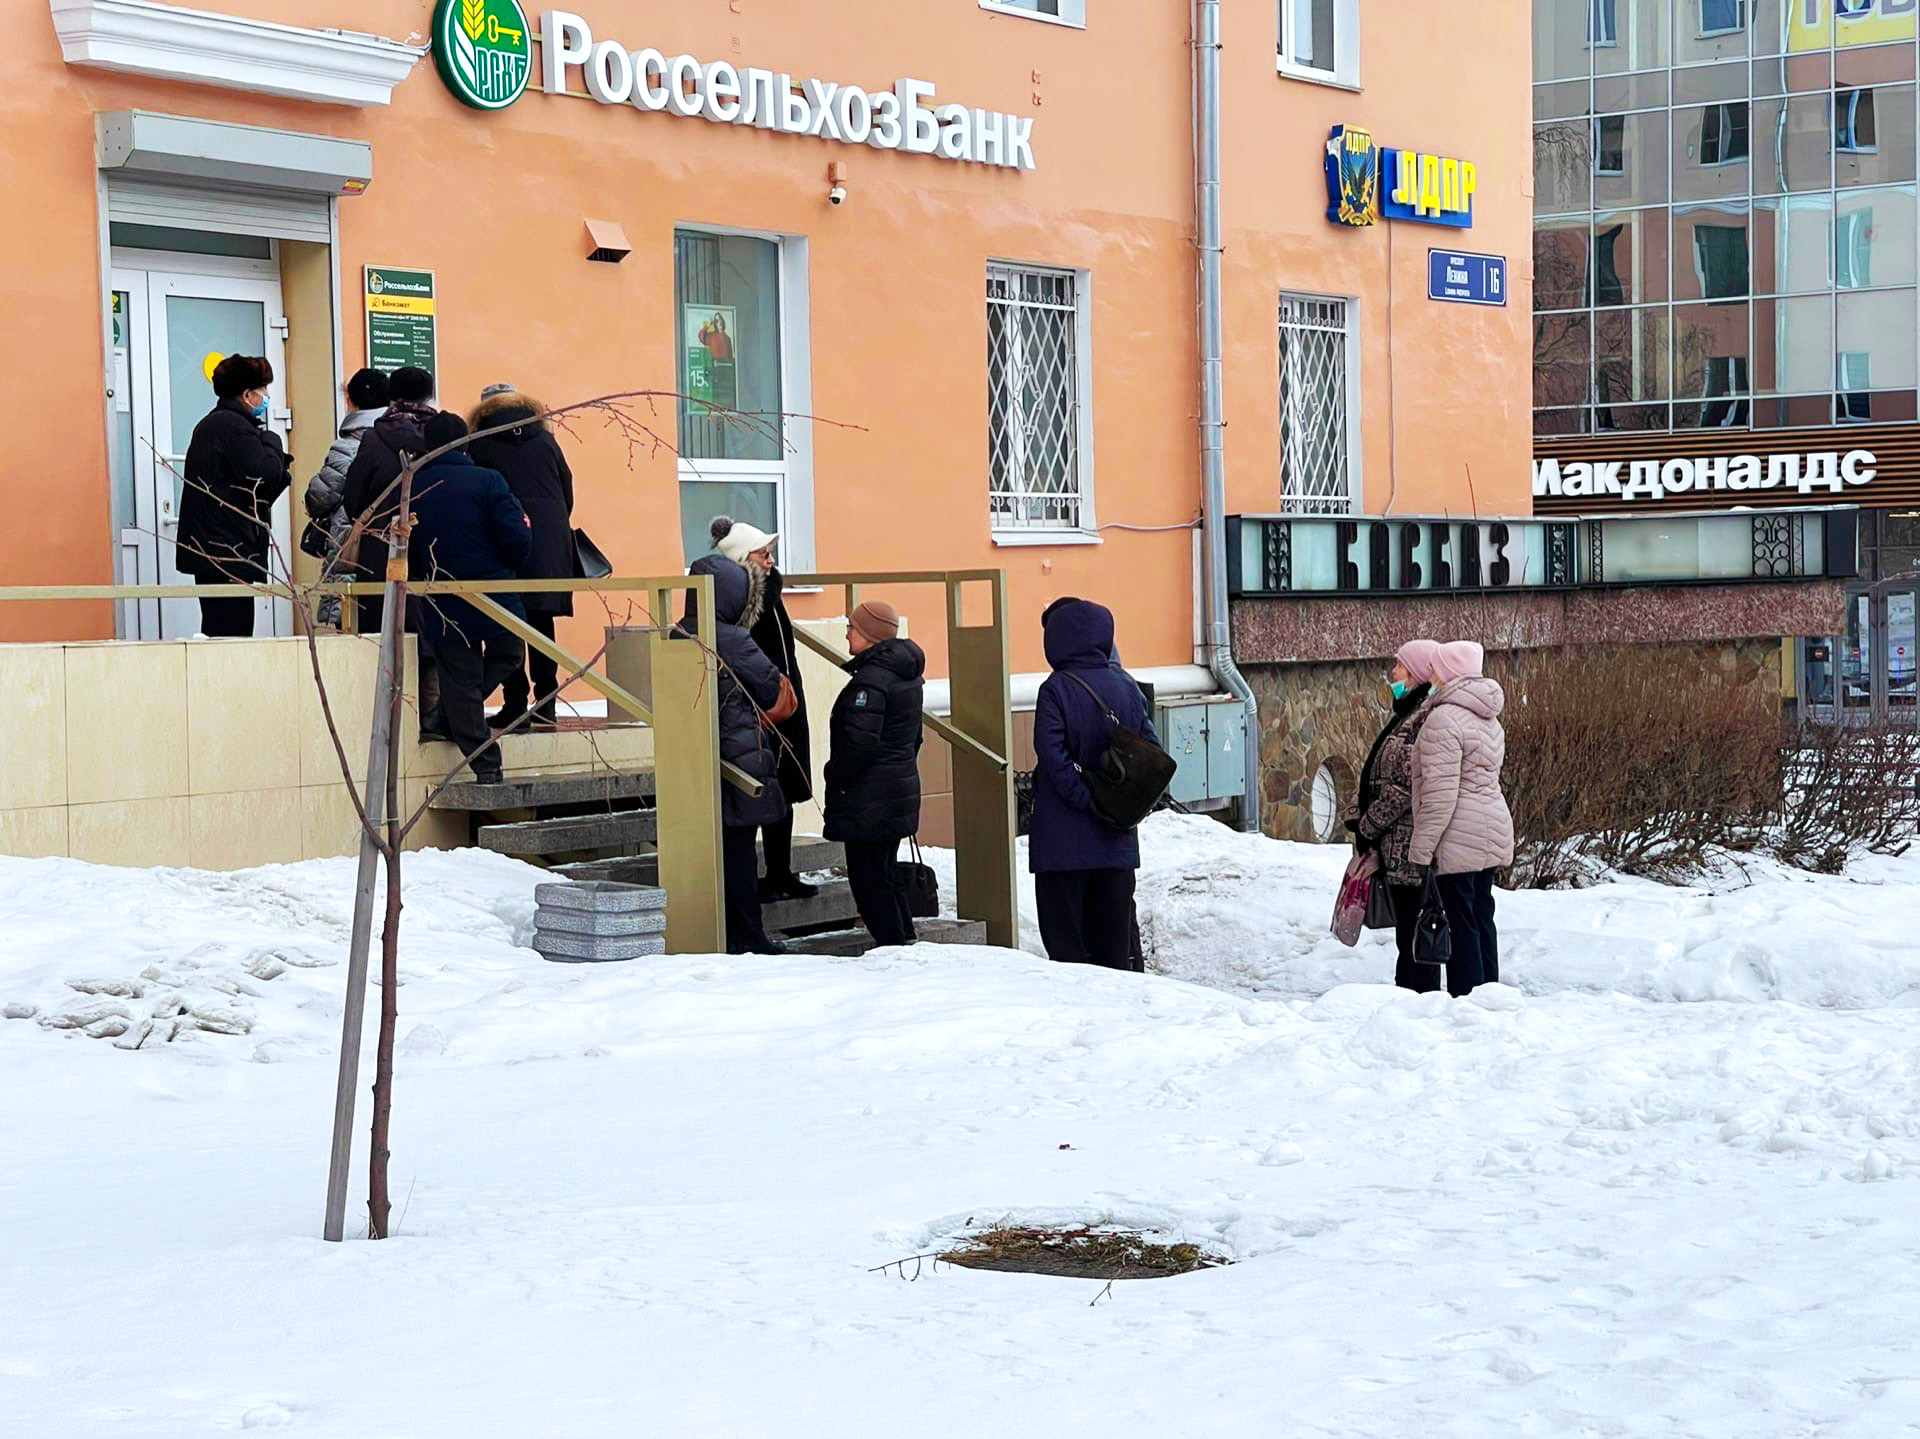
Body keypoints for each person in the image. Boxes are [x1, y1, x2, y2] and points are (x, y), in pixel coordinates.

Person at [1030, 598, 1159, 970]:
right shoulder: (1126, 685)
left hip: (1062, 842)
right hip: (1115, 838)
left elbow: (1052, 756)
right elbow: (1151, 752)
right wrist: (1117, 801)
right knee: (1112, 949)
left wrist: (1084, 797)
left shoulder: (1055, 689)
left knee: (1068, 949)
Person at [405, 412, 532, 786]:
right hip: (494, 591)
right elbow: (516, 536)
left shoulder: (412, 485)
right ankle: (478, 753)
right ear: (464, 443)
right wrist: (513, 566)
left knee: (460, 676)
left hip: (439, 592)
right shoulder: (488, 480)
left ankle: (470, 744)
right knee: (509, 653)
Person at [682, 554, 794, 955]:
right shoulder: (732, 638)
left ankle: (713, 930)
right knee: (740, 853)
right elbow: (772, 689)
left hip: (692, 759)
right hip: (738, 754)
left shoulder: (677, 633)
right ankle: (748, 935)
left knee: (705, 852)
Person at [711, 517, 817, 901]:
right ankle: (761, 877)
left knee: (785, 789)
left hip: (784, 700)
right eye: (764, 554)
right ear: (743, 559)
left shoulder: (765, 589)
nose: (771, 561)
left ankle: (780, 872)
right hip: (755, 707)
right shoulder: (741, 595)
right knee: (757, 789)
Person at [1408, 640, 1515, 997]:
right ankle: (1490, 992)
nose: (1431, 675)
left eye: (1437, 667)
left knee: (1460, 919)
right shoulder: (1488, 717)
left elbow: (1440, 794)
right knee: (1482, 913)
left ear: (1451, 672)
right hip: (1491, 825)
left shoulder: (1443, 719)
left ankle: (1468, 998)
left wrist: (1421, 850)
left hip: (1458, 832)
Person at [468, 384, 575, 730]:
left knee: (505, 624)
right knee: (541, 623)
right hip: (548, 544)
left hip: (503, 544)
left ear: (485, 411)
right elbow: (567, 489)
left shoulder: (479, 444)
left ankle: (515, 703)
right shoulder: (546, 440)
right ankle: (547, 703)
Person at [824, 600, 926, 949]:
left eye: (852, 627)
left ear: (869, 636)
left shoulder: (871, 682)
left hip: (870, 797)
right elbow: (914, 738)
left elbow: (858, 746)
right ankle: (904, 944)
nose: (847, 633)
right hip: (894, 789)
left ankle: (893, 949)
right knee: (885, 873)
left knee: (869, 881)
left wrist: (833, 774)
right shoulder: (904, 675)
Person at [1347, 640, 1440, 992]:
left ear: (1417, 673)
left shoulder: (1422, 717)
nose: (1393, 674)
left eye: (1400, 666)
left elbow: (1404, 787)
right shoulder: (1405, 714)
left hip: (1408, 845)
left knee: (1414, 935)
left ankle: (1420, 1002)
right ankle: (1411, 1000)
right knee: (1406, 932)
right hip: (1394, 844)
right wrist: (1358, 818)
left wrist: (1369, 825)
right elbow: (1376, 774)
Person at [176, 354, 292, 637]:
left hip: (216, 548)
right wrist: (274, 444)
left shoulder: (216, 424)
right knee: (232, 634)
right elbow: (263, 476)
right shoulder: (234, 428)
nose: (266, 396)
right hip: (228, 549)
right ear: (247, 394)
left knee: (221, 628)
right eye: (262, 390)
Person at [341, 365, 436, 636]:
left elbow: (353, 498)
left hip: (381, 546)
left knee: (380, 637)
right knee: (431, 640)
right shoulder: (443, 435)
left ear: (391, 395)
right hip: (433, 546)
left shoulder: (374, 438)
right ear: (429, 395)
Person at [303, 367, 389, 627]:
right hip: (392, 551)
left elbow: (319, 498)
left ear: (351, 401)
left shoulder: (348, 446)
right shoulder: (402, 442)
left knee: (346, 629)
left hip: (350, 553)